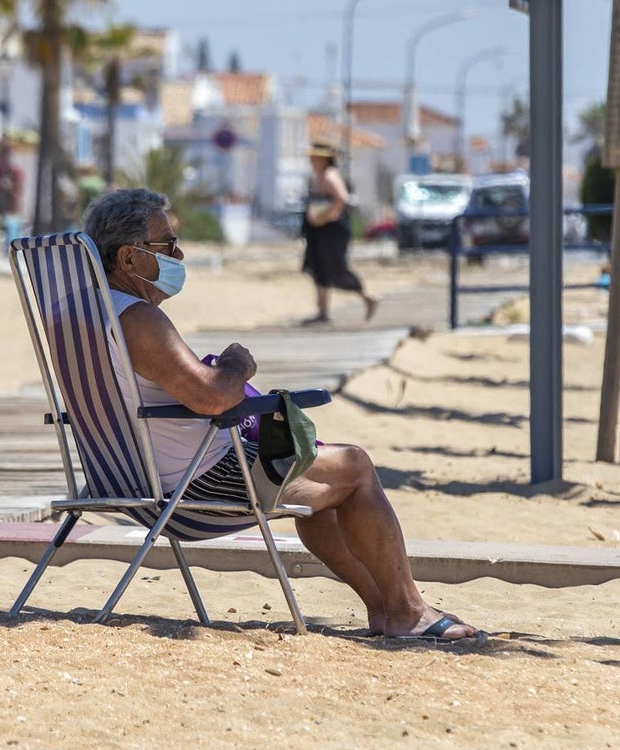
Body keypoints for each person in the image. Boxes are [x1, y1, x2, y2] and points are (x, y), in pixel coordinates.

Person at [82, 188, 476, 640]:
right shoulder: (136, 320)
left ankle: (390, 609)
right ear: (129, 260)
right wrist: (235, 367)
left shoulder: (80, 317)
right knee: (354, 466)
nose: (179, 253)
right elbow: (212, 400)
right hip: (193, 486)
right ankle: (406, 610)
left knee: (326, 488)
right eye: (166, 246)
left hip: (123, 480)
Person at [300, 142, 377, 325]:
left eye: (315, 157)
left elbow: (341, 198)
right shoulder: (319, 176)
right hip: (319, 229)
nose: (311, 160)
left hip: (331, 230)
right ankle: (322, 311)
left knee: (335, 267)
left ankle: (367, 297)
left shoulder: (329, 175)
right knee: (319, 268)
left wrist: (325, 217)